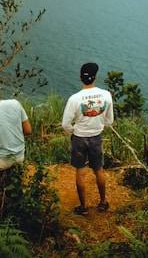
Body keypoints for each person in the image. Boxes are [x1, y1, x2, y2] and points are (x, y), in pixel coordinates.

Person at [62, 62, 114, 215]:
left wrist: (74, 130)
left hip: (79, 138)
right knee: (99, 169)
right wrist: (97, 125)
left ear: (80, 78)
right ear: (95, 77)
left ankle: (83, 207)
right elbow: (109, 121)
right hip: (96, 137)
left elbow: (65, 124)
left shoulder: (74, 99)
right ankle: (103, 202)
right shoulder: (106, 95)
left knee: (80, 171)